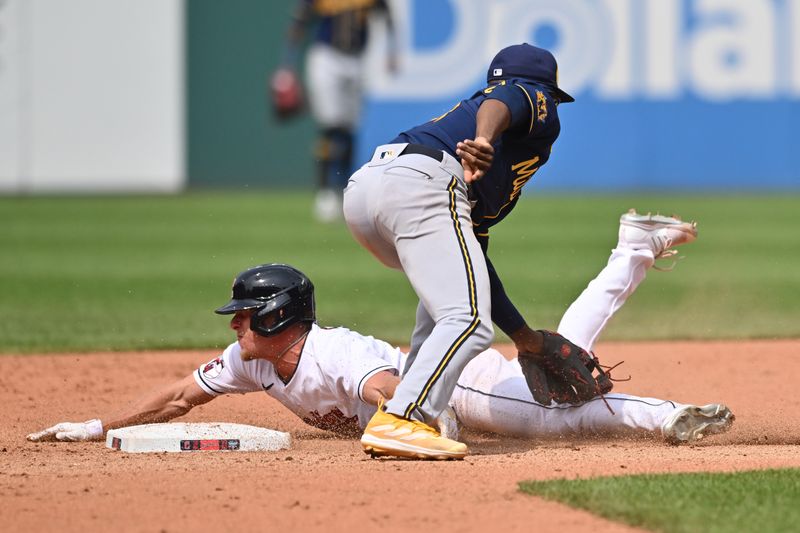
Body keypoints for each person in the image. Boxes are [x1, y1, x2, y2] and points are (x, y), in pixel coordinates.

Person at [27, 212, 735, 454]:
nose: (234, 324)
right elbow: (180, 396)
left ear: (276, 318)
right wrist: (95, 424)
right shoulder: (254, 362)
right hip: (451, 378)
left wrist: (439, 428)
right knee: (555, 366)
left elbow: (408, 394)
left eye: (244, 314)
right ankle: (633, 248)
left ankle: (669, 415)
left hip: (464, 387)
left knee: (562, 416)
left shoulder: (334, 354)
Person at [342, 43, 584, 458]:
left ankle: (408, 405)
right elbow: (504, 99)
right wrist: (484, 140)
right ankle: (403, 420)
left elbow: (479, 272)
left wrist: (525, 338)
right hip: (423, 181)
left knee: (447, 314)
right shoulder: (525, 99)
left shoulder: (473, 153)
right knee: (468, 320)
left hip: (368, 189)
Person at [277, 0, 397, 222]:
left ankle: (345, 189)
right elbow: (299, 22)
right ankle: (324, 191)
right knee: (330, 126)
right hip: (326, 57)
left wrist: (392, 51)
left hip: (358, 59)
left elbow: (388, 17)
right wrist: (287, 64)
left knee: (349, 129)